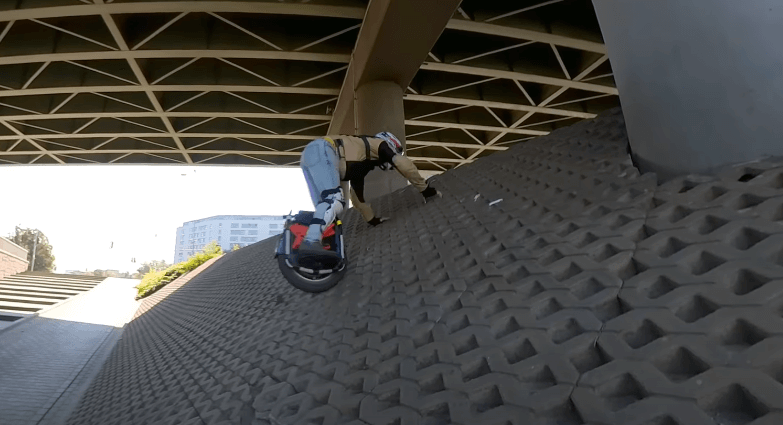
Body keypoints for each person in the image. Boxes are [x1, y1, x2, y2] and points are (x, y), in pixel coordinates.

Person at [298, 131, 441, 264]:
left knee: (327, 213)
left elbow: (358, 200)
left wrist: (373, 220)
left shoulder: (360, 164)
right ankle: (311, 242)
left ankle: (303, 242)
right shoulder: (378, 143)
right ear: (390, 142)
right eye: (395, 150)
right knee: (335, 200)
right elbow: (402, 163)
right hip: (323, 149)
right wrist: (425, 189)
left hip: (309, 156)